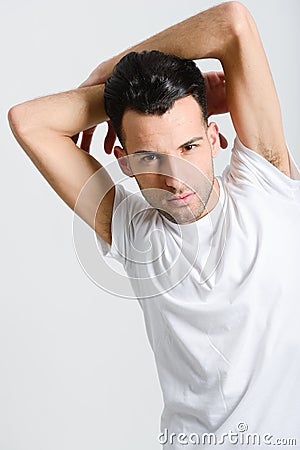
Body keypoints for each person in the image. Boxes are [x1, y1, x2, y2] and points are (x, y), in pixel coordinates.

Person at [8, 1, 300, 448]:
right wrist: (111, 96)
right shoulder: (134, 232)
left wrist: (112, 67)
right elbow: (27, 121)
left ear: (216, 137)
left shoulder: (267, 183)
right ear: (123, 162)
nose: (176, 179)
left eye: (188, 147)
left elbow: (233, 23)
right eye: (149, 157)